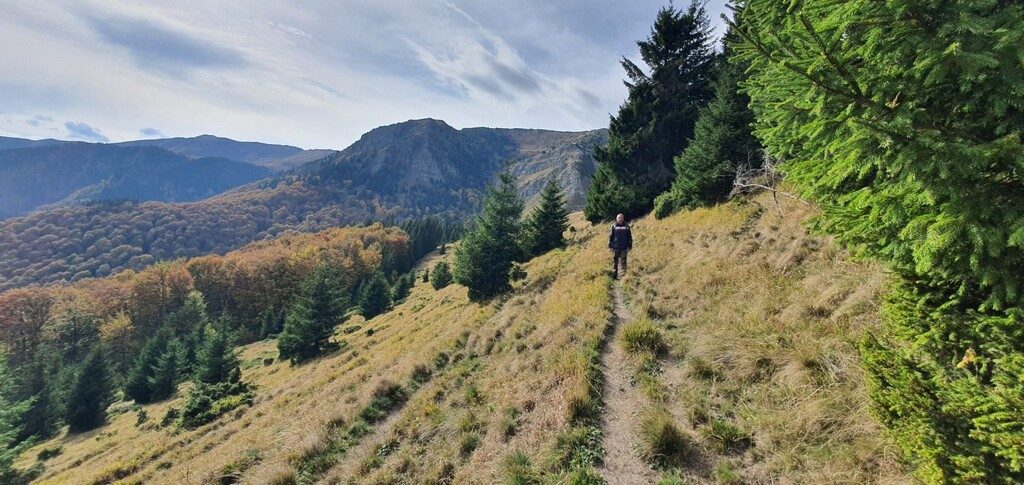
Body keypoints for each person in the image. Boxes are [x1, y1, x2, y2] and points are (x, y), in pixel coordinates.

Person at [608, 213, 632, 279]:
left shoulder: (627, 226)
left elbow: (629, 237)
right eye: (619, 217)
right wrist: (610, 245)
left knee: (623, 261)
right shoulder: (614, 226)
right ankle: (614, 275)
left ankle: (624, 276)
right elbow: (611, 236)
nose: (620, 219)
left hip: (624, 247)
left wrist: (630, 246)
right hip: (615, 247)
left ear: (623, 218)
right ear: (616, 218)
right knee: (615, 261)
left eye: (621, 217)